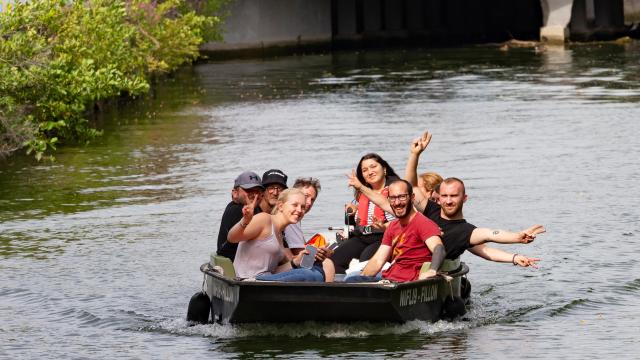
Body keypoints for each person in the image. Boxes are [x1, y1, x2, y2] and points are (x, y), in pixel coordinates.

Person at [351, 131, 544, 267]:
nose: (448, 200)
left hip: (425, 273)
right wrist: (414, 154)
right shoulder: (430, 210)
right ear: (439, 197)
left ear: (464, 198)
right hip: (400, 265)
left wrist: (517, 241)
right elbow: (412, 185)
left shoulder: (465, 231)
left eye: (453, 196)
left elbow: (490, 236)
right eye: (444, 196)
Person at [337, 180, 446, 282]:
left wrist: (432, 271)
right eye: (393, 198)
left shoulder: (423, 223)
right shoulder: (393, 226)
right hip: (390, 277)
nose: (397, 202)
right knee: (352, 278)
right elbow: (378, 261)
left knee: (352, 280)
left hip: (408, 282)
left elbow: (439, 248)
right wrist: (362, 278)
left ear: (412, 198)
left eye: (402, 197)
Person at [228, 188, 329, 282]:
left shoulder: (280, 234)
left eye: (302, 207)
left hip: (266, 279)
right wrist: (244, 221)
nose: (299, 210)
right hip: (249, 281)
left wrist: (296, 261)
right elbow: (232, 238)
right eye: (295, 205)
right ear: (280, 206)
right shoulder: (264, 219)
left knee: (316, 266)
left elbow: (274, 272)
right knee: (309, 275)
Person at [327, 153, 401, 274]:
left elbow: (404, 220)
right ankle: (343, 287)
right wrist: (353, 214)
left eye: (373, 167)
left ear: (384, 169)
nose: (370, 172)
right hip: (362, 236)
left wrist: (385, 227)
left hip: (384, 238)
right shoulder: (362, 194)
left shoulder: (396, 190)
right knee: (333, 262)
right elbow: (358, 223)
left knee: (365, 263)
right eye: (365, 170)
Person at [216, 171, 264, 261]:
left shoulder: (256, 209)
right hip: (237, 267)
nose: (254, 194)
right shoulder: (237, 210)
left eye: (257, 191)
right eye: (249, 190)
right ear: (235, 193)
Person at [282, 177, 322, 258]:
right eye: (306, 196)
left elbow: (302, 245)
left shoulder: (295, 216)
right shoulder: (292, 218)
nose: (309, 202)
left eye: (312, 199)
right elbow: (298, 251)